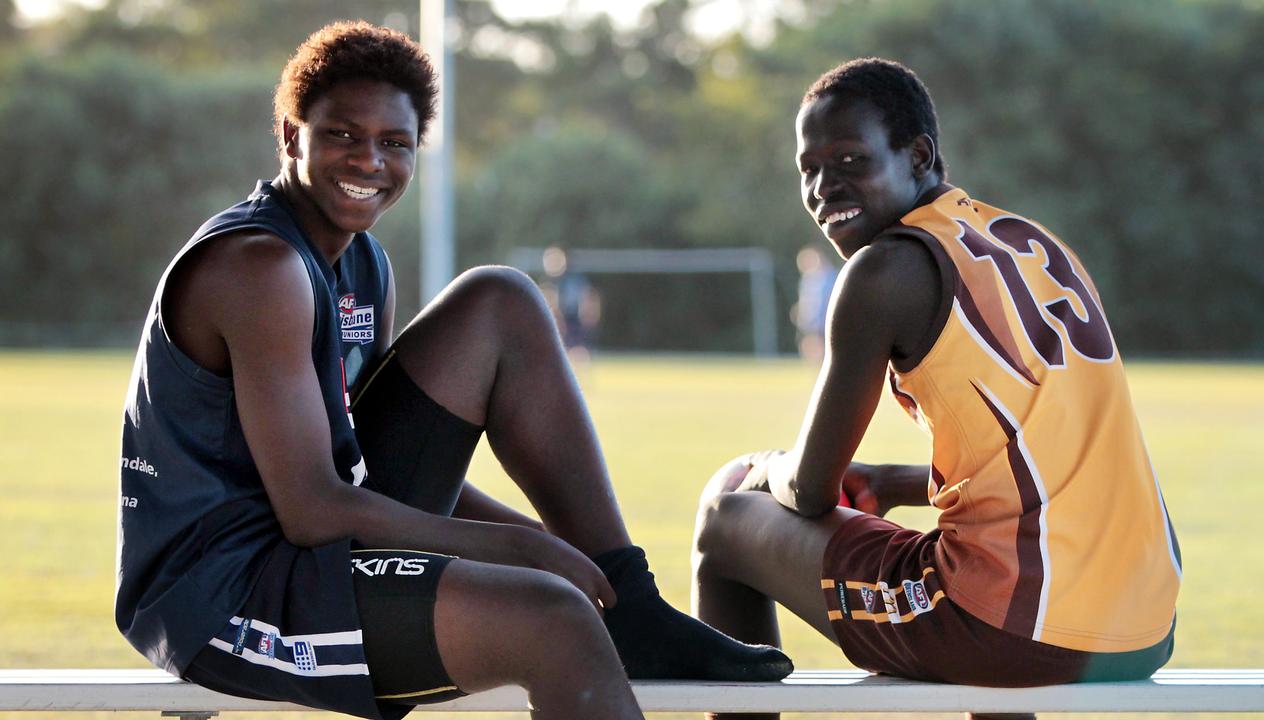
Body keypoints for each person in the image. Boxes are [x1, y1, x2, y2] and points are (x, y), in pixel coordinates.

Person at [116, 21, 789, 720]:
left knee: (500, 301)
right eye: (343, 134)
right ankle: (621, 612)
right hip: (224, 593)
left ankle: (635, 605)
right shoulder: (259, 267)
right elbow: (315, 509)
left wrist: (558, 549)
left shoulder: (362, 262)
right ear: (292, 136)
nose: (368, 159)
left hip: (308, 548)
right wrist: (524, 550)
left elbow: (362, 470)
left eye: (394, 143)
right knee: (549, 616)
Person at [691, 58, 1181, 720]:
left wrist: (763, 470)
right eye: (809, 169)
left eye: (849, 160)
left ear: (919, 154)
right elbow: (1052, 449)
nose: (823, 188)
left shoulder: (886, 269)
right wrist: (894, 481)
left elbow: (808, 491)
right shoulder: (1030, 242)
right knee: (986, 564)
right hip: (1145, 622)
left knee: (726, 516)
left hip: (1024, 632)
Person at [792, 244, 838, 364]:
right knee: (812, 346)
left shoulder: (831, 276)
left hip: (826, 320)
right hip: (812, 322)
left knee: (825, 349)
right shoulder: (808, 280)